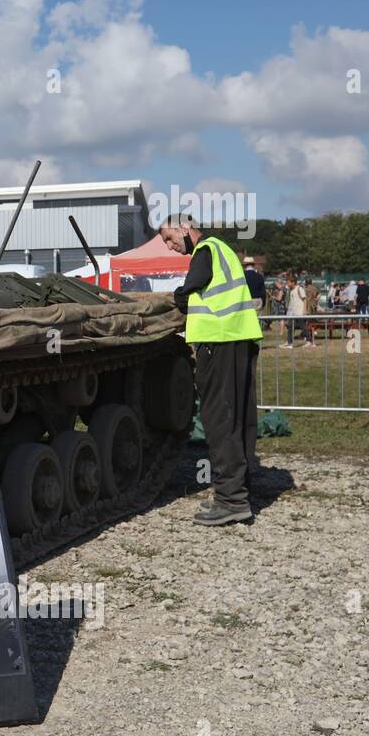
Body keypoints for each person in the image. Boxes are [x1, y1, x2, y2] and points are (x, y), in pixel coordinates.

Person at [160, 215, 261, 526]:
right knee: (240, 418)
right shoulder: (223, 250)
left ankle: (231, 500)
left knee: (220, 420)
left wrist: (176, 297)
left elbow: (191, 289)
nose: (169, 245)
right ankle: (240, 490)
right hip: (239, 340)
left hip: (218, 344)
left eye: (169, 237)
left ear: (184, 228)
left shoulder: (204, 252)